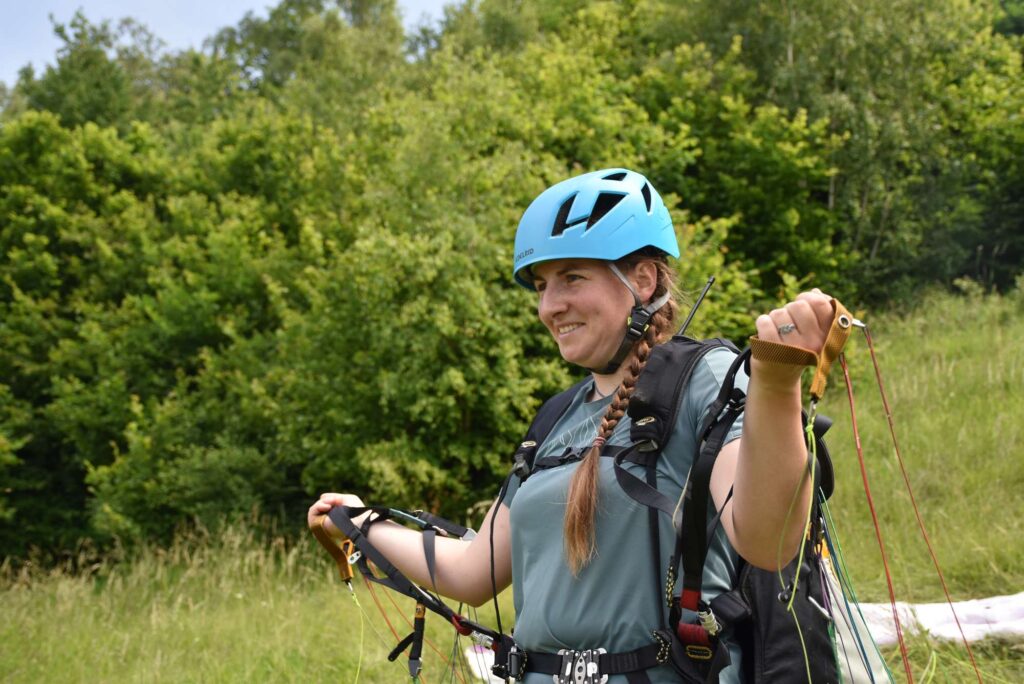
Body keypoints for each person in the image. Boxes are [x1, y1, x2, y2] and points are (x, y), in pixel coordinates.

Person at [308, 168, 837, 683]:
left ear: (642, 279)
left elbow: (769, 540)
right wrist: (361, 522)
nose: (549, 306)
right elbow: (472, 571)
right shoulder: (554, 419)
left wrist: (775, 382)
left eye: (572, 277)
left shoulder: (705, 380)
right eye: (541, 286)